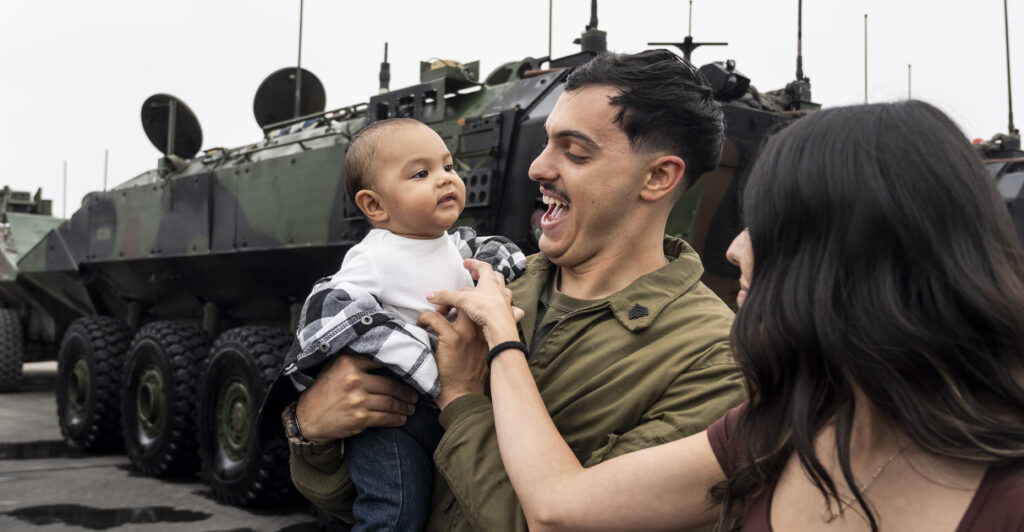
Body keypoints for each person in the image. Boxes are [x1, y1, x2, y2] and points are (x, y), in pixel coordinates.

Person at [430, 100, 1024, 531]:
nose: (736, 248)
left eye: (769, 226)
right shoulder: (774, 426)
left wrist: (487, 363)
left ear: (856, 258)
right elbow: (561, 502)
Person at [284, 50, 747, 530]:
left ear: (657, 177)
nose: (537, 168)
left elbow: (560, 522)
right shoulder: (491, 282)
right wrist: (310, 431)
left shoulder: (712, 362)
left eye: (575, 152)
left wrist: (461, 397)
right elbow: (386, 501)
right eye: (546, 143)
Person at [276, 117, 526, 531]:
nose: (445, 179)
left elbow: (489, 263)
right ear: (375, 206)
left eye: (449, 166)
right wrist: (409, 349)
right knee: (395, 512)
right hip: (392, 414)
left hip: (450, 401)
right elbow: (330, 307)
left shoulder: (457, 246)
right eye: (421, 174)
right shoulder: (374, 256)